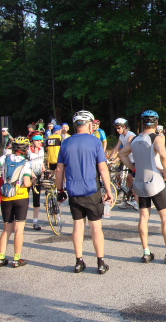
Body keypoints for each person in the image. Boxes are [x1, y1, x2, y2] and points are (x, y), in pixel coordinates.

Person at [118, 110, 166, 264]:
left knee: (143, 217)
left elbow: (121, 154)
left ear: (142, 123)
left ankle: (146, 252)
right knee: (165, 217)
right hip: (154, 181)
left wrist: (133, 167)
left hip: (140, 182)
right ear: (156, 123)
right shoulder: (157, 137)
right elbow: (163, 155)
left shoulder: (134, 139)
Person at [55, 110, 113, 274]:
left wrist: (60, 190)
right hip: (92, 190)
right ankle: (100, 262)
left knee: (78, 225)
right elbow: (102, 168)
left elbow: (59, 170)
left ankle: (79, 261)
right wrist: (109, 190)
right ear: (89, 124)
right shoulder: (95, 141)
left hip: (74, 190)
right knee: (96, 227)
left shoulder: (65, 143)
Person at [0, 137, 33, 268]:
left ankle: (1, 257)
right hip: (21, 197)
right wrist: (32, 182)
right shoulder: (26, 163)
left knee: (6, 228)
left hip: (6, 196)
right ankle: (16, 259)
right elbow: (26, 183)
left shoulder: (3, 159)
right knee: (19, 229)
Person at [108, 118, 138, 210]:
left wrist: (116, 159)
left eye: (118, 128)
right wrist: (109, 159)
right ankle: (128, 199)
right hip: (128, 160)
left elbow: (126, 150)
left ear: (124, 127)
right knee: (126, 178)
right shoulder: (121, 137)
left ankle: (136, 201)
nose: (117, 130)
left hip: (135, 159)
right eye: (116, 128)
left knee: (134, 179)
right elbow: (116, 148)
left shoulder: (131, 135)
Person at [27, 134, 46, 231]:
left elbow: (41, 161)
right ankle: (19, 219)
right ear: (32, 141)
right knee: (25, 199)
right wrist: (32, 174)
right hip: (28, 176)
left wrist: (44, 169)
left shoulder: (41, 149)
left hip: (38, 176)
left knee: (36, 199)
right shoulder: (28, 150)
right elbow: (25, 164)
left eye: (41, 140)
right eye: (37, 141)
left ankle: (35, 221)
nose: (40, 142)